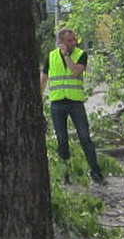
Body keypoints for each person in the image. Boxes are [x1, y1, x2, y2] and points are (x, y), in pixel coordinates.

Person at [41, 28, 106, 186]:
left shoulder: (81, 54)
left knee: (85, 138)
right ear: (61, 42)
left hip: (75, 102)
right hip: (57, 103)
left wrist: (66, 56)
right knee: (62, 140)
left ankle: (95, 172)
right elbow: (43, 78)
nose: (74, 42)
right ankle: (65, 174)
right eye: (70, 40)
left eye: (74, 40)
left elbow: (77, 71)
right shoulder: (51, 56)